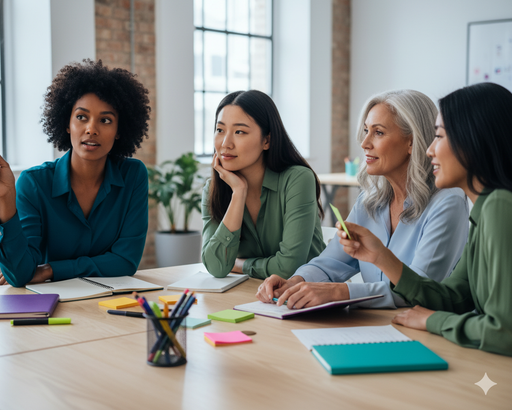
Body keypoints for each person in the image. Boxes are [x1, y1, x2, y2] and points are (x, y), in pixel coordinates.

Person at [335, 83, 512, 356]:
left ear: (474, 141)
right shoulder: (485, 207)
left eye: (439, 137)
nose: (429, 150)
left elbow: (503, 332)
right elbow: (452, 298)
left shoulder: (499, 206)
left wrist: (433, 321)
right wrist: (381, 256)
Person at [256, 89, 469, 309]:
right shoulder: (370, 200)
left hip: (425, 332)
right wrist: (294, 282)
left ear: (411, 142)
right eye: (366, 130)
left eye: (378, 133)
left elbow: (421, 288)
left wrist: (342, 292)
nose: (365, 142)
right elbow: (333, 261)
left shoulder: (447, 203)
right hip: (374, 325)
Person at [0, 59, 151, 287]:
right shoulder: (34, 183)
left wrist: (51, 269)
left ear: (119, 130)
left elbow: (125, 261)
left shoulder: (133, 175)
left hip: (109, 306)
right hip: (50, 309)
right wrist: (4, 197)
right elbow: (20, 275)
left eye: (105, 120)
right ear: (67, 123)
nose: (91, 129)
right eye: (81, 117)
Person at [201, 90, 326, 279]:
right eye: (220, 130)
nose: (225, 143)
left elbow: (288, 268)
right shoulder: (213, 189)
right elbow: (215, 266)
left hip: (308, 297)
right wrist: (238, 192)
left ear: (266, 140)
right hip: (252, 297)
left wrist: (240, 265)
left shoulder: (298, 179)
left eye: (239, 132)